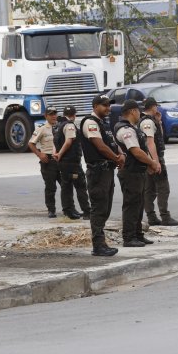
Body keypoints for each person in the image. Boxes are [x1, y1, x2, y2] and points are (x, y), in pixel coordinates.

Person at [77, 95, 124, 257]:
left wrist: (120, 153)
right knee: (98, 208)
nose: (108, 108)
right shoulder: (90, 122)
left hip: (106, 170)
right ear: (95, 106)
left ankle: (101, 242)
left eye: (108, 105)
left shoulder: (102, 123)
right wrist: (116, 158)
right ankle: (98, 245)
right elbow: (100, 146)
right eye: (104, 106)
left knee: (106, 207)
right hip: (97, 171)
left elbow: (110, 142)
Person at [113, 100, 160, 248]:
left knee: (138, 205)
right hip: (130, 172)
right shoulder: (126, 130)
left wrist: (147, 166)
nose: (140, 113)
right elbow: (136, 151)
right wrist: (152, 163)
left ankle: (138, 234)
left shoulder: (132, 128)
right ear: (133, 111)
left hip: (137, 171)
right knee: (131, 205)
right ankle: (129, 237)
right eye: (138, 111)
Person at [141, 97, 178, 227]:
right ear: (152, 107)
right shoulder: (147, 122)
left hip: (148, 159)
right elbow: (150, 142)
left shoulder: (150, 121)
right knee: (163, 187)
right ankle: (165, 216)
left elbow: (160, 137)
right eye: (156, 107)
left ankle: (152, 216)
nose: (157, 109)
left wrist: (159, 121)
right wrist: (156, 161)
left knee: (150, 189)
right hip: (154, 158)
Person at [54, 106, 90, 220]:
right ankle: (87, 211)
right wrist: (59, 153)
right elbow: (69, 142)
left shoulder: (58, 126)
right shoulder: (69, 125)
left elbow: (55, 142)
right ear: (74, 115)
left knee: (66, 186)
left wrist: (57, 154)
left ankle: (68, 210)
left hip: (63, 162)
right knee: (80, 186)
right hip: (71, 162)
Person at [28, 108, 61, 218]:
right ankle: (51, 210)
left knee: (66, 186)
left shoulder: (61, 127)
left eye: (55, 114)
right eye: (51, 114)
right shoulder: (42, 128)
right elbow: (31, 143)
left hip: (61, 160)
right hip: (48, 161)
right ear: (45, 116)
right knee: (51, 187)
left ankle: (69, 209)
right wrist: (39, 154)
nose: (53, 116)